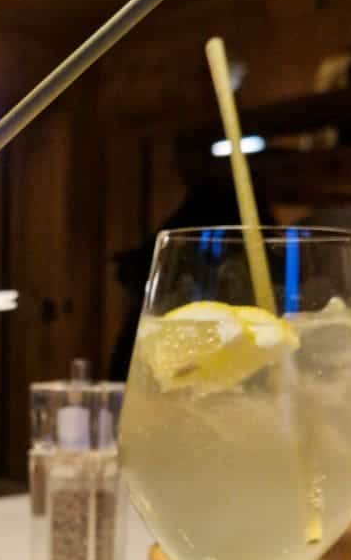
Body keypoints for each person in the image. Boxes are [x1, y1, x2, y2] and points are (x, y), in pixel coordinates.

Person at [108, 136, 265, 381]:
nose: (179, 168)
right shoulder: (204, 205)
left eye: (186, 159)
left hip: (210, 345)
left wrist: (132, 265)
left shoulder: (209, 206)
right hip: (180, 343)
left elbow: (150, 267)